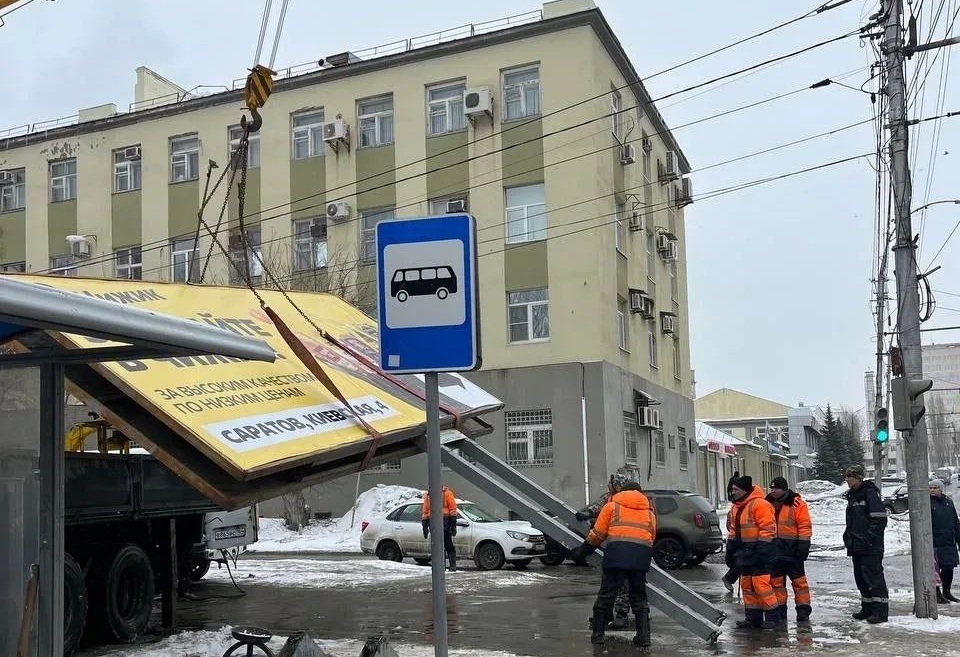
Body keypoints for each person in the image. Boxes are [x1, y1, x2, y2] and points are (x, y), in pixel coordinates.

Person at [572, 478, 656, 646]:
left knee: (607, 594)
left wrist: (583, 551)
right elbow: (652, 537)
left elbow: (598, 534)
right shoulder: (649, 513)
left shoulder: (612, 506)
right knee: (639, 597)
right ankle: (644, 637)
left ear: (622, 492)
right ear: (641, 495)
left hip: (617, 555)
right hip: (641, 557)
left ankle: (598, 635)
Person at [576, 473, 633, 630]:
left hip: (625, 547)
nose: (609, 486)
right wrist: (587, 513)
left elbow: (599, 531)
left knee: (623, 584)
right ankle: (606, 614)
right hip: (617, 546)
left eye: (611, 484)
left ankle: (621, 616)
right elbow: (598, 506)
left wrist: (586, 547)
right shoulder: (610, 498)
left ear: (617, 485)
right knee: (608, 581)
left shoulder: (626, 501)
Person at [726, 474, 781, 630]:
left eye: (736, 489)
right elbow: (734, 530)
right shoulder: (736, 506)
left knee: (761, 585)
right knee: (747, 585)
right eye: (732, 489)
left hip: (761, 551)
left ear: (744, 490)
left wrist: (762, 548)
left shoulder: (760, 504)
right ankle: (752, 618)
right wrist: (730, 549)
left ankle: (772, 617)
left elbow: (767, 528)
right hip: (745, 552)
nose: (733, 492)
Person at [842, 464, 888, 623]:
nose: (847, 480)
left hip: (870, 546)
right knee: (861, 578)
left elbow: (879, 520)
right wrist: (848, 536)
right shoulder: (853, 495)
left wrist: (868, 538)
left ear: (858, 478)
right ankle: (867, 608)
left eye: (850, 477)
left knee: (873, 578)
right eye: (847, 476)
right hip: (857, 545)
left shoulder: (869, 494)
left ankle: (880, 611)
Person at [766, 476, 813, 623]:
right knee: (776, 583)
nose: (773, 491)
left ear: (784, 489)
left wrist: (803, 546)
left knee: (799, 582)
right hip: (774, 551)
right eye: (772, 488)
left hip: (793, 550)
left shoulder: (797, 503)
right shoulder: (767, 503)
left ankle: (803, 610)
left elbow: (804, 525)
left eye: (777, 488)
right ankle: (780, 610)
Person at [929, 479, 960, 603]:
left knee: (948, 567)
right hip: (934, 542)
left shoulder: (948, 502)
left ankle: (947, 592)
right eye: (930, 488)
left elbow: (955, 522)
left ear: (941, 489)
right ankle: (936, 594)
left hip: (948, 541)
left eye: (935, 487)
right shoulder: (927, 503)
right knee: (935, 570)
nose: (932, 490)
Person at [422, 485, 458, 571]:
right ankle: (443, 566)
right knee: (441, 546)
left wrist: (425, 526)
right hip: (440, 522)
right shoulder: (429, 495)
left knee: (445, 545)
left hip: (441, 522)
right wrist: (424, 526)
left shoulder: (444, 493)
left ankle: (448, 566)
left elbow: (453, 509)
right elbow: (425, 511)